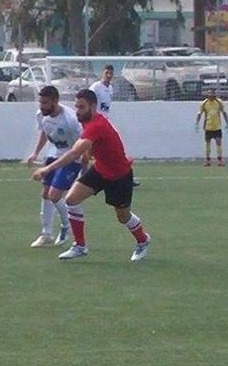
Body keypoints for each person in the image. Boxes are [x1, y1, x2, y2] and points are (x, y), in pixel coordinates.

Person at [32, 89, 151, 262]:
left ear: (93, 107)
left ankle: (143, 240)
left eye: (82, 107)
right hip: (100, 170)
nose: (78, 111)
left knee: (123, 216)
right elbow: (88, 148)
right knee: (71, 199)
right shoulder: (86, 122)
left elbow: (74, 152)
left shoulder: (97, 125)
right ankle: (80, 246)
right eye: (76, 107)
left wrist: (47, 169)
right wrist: (87, 159)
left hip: (119, 176)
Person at [25, 85, 83, 248]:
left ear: (55, 101)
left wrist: (86, 163)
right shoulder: (41, 115)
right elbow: (45, 131)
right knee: (46, 194)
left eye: (45, 103)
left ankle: (66, 226)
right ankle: (46, 234)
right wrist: (35, 153)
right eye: (40, 102)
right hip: (54, 154)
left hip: (72, 157)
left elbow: (81, 143)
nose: (41, 106)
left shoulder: (71, 120)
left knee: (54, 195)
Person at [195, 88, 228, 167]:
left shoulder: (219, 102)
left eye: (212, 93)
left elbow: (224, 112)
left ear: (214, 94)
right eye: (209, 93)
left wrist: (227, 123)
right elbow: (199, 113)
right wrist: (197, 124)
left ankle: (220, 161)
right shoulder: (204, 103)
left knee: (218, 142)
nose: (211, 95)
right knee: (208, 143)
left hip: (217, 126)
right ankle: (208, 161)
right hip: (208, 127)